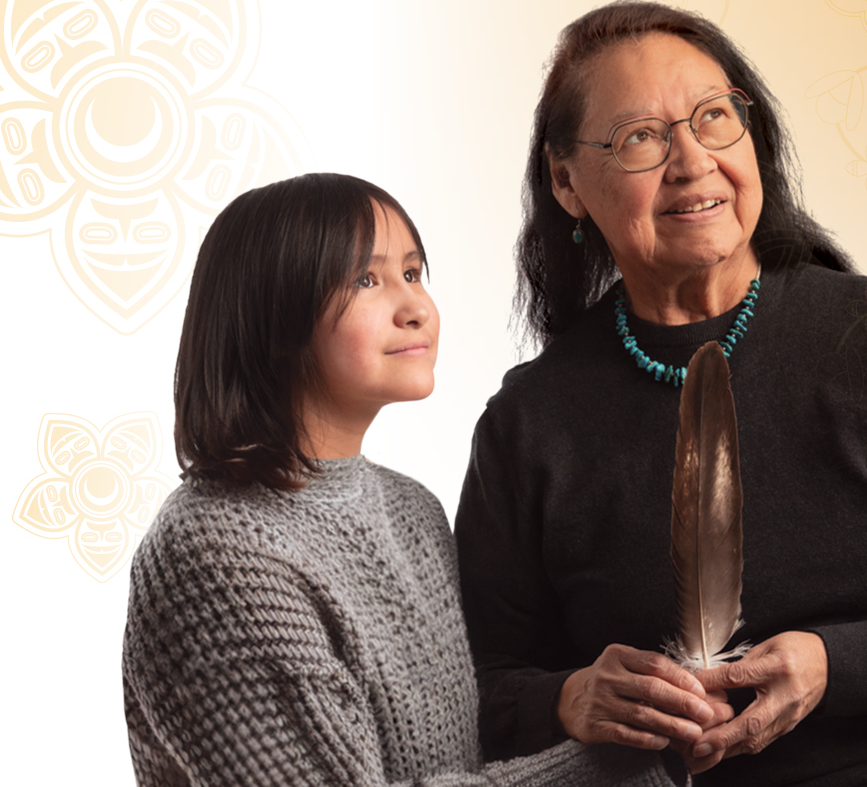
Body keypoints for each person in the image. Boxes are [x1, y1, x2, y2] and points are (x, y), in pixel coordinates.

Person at [454, 0, 867, 787]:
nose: (691, 160)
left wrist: (834, 664)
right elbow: (476, 690)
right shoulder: (529, 423)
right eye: (640, 137)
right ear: (566, 181)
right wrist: (570, 699)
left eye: (713, 117)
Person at [120, 173, 680, 787]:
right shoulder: (216, 552)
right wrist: (618, 764)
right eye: (366, 280)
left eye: (413, 274)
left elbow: (462, 757)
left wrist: (578, 705)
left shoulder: (413, 510)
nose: (415, 308)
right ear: (273, 319)